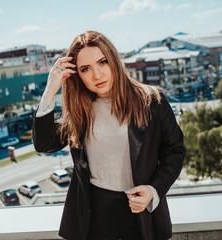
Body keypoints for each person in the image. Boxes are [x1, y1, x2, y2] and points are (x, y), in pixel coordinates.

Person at [33, 31, 185, 240]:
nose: (97, 75)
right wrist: (50, 90)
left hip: (141, 211)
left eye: (102, 62)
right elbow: (44, 144)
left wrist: (153, 190)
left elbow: (175, 152)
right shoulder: (81, 112)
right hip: (94, 216)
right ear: (77, 74)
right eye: (85, 69)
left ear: (113, 59)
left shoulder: (152, 102)